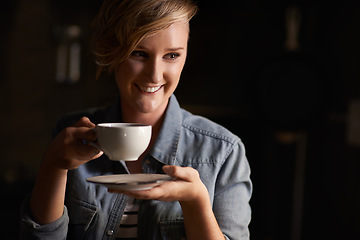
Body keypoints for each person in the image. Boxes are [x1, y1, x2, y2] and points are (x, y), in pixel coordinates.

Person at [20, 0, 252, 239]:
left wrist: (196, 202)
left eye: (171, 55)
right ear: (113, 53)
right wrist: (53, 166)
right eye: (139, 53)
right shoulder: (70, 135)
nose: (154, 74)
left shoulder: (223, 152)